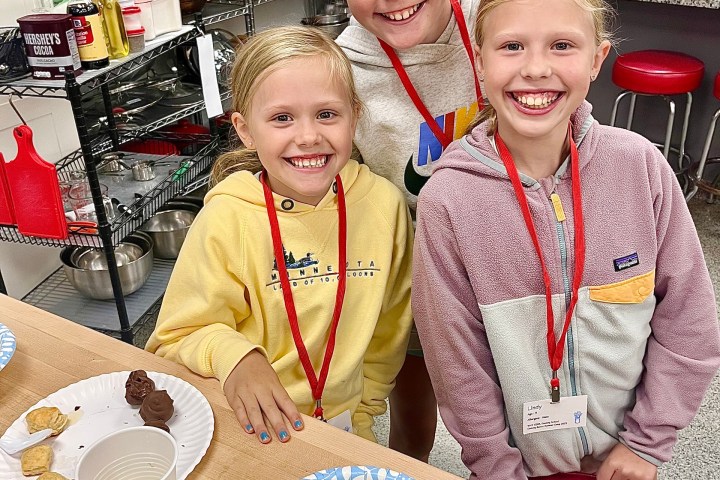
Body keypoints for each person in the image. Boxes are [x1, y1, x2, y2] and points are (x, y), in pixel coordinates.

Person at [412, 0, 720, 479]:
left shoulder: (641, 168)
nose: (536, 69)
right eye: (512, 46)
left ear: (597, 59)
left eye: (562, 46)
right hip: (513, 470)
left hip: (629, 462)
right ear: (479, 59)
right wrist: (496, 467)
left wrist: (646, 444)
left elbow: (689, 320)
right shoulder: (448, 201)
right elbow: (457, 365)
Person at [145, 26, 414, 445]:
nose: (308, 136)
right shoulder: (226, 219)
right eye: (281, 118)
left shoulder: (384, 205)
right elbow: (175, 337)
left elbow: (390, 328)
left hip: (349, 432)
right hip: (250, 428)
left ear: (354, 116)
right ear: (246, 129)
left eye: (327, 114)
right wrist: (236, 356)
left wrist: (365, 411)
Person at [335, 0, 483, 461]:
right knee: (412, 423)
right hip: (416, 275)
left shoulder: (497, 19)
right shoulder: (342, 68)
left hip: (514, 262)